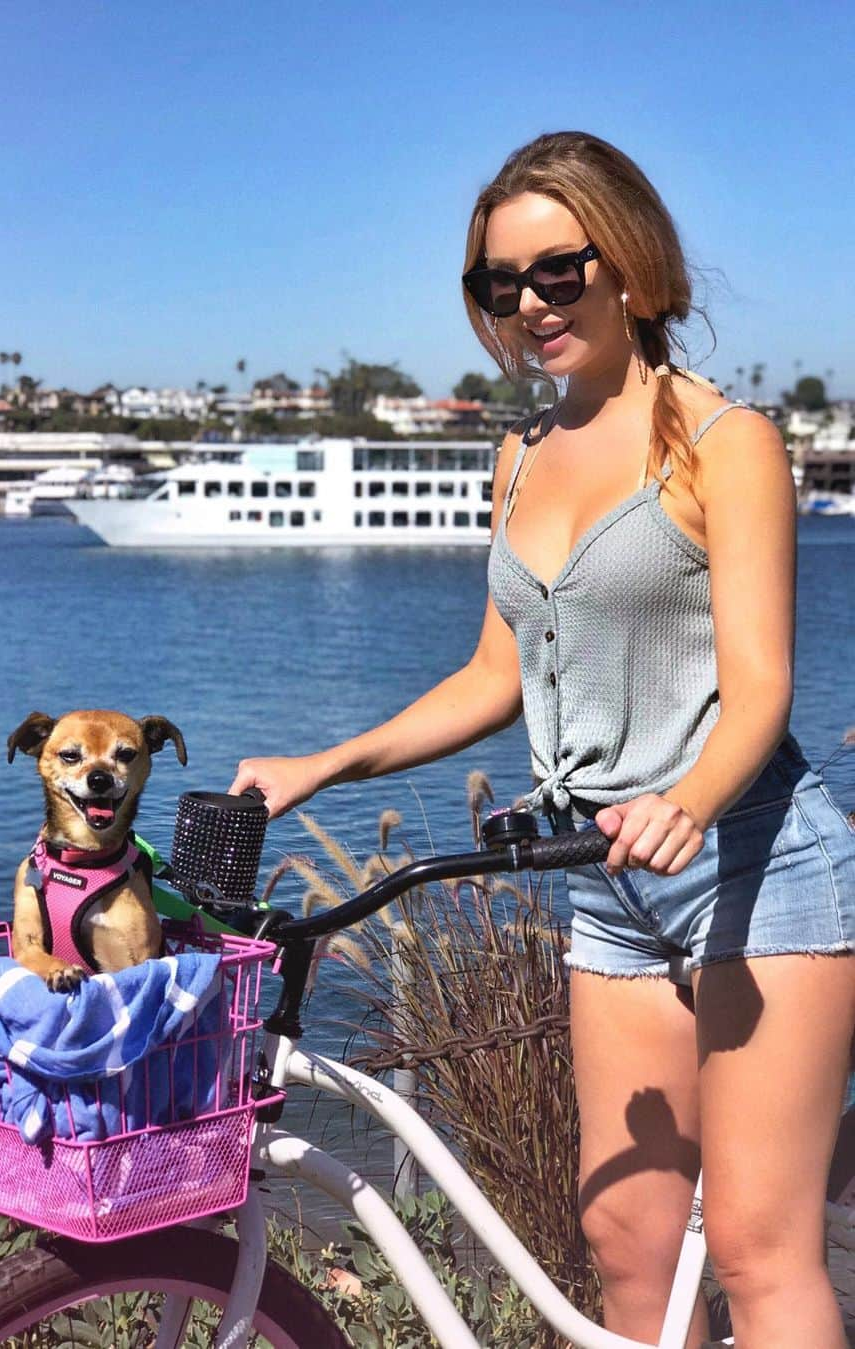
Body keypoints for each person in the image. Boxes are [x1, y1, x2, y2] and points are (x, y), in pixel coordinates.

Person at [231, 131, 855, 1347]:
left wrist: (690, 798)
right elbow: (491, 675)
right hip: (605, 884)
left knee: (758, 1246)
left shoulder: (726, 443)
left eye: (555, 272)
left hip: (758, 868)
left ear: (627, 265)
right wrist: (322, 764)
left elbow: (763, 686)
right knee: (624, 1245)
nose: (528, 305)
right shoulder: (518, 455)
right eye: (496, 285)